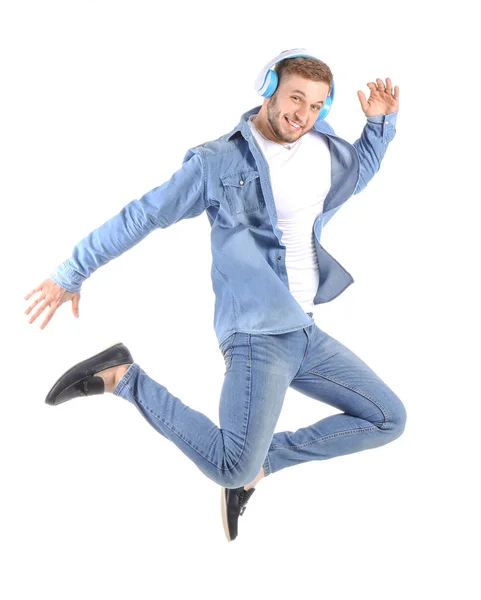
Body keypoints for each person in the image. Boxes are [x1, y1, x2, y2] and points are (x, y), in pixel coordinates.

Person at [24, 48, 406, 542]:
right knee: (228, 468)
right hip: (257, 334)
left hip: (307, 331)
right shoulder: (216, 161)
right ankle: (123, 378)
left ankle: (262, 464)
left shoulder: (322, 145)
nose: (302, 115)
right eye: (294, 98)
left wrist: (380, 127)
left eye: (316, 106)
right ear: (267, 89)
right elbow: (141, 216)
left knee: (388, 418)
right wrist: (71, 272)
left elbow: (353, 178)